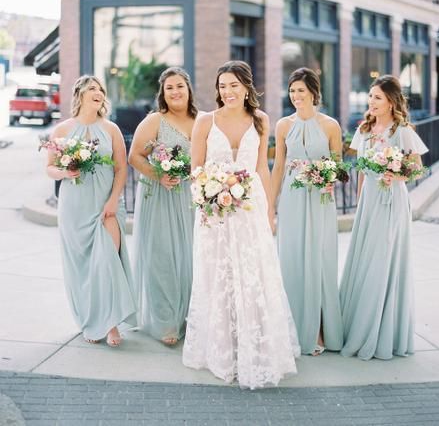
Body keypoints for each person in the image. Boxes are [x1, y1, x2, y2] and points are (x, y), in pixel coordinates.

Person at [182, 60, 300, 389]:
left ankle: (256, 347)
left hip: (251, 208)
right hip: (214, 212)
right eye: (222, 86)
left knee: (253, 275)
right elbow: (196, 170)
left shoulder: (261, 120)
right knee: (218, 274)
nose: (228, 92)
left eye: (234, 85)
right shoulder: (206, 121)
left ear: (247, 87)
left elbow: (262, 168)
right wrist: (208, 195)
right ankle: (222, 350)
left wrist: (269, 211)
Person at [340, 75, 428, 360]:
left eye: (377, 97)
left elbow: (417, 168)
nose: (371, 102)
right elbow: (362, 169)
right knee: (365, 259)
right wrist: (360, 201)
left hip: (392, 200)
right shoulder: (364, 130)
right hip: (369, 202)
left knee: (384, 260)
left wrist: (397, 174)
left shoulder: (402, 130)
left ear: (391, 101)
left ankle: (381, 330)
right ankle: (358, 323)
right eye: (370, 97)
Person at [46, 75, 137, 347]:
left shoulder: (111, 129)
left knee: (106, 262)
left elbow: (121, 168)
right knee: (83, 267)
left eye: (100, 89)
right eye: (92, 89)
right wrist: (65, 170)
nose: (98, 93)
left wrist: (112, 201)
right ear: (80, 95)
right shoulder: (62, 130)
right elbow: (49, 167)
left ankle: (110, 325)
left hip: (106, 205)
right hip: (74, 205)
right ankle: (89, 319)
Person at [271, 67, 344, 356]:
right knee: (292, 258)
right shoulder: (283, 125)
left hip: (320, 199)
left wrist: (330, 181)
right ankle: (294, 327)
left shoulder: (330, 125)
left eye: (301, 90)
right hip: (291, 197)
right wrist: (270, 206)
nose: (296, 96)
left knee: (319, 258)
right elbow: (278, 167)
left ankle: (320, 329)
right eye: (292, 90)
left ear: (314, 92)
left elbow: (338, 164)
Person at [129, 67, 197, 346]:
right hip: (159, 196)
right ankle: (166, 322)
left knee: (190, 259)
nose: (175, 92)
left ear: (189, 88)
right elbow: (135, 156)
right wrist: (160, 174)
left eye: (179, 86)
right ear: (163, 93)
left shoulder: (203, 120)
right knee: (162, 258)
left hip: (190, 198)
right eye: (169, 88)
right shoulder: (155, 121)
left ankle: (189, 317)